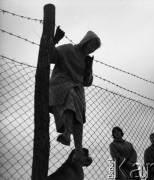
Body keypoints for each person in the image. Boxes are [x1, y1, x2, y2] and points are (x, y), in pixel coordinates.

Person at [49, 26, 101, 163]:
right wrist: (54, 40)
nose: (91, 50)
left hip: (77, 89)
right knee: (71, 94)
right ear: (85, 41)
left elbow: (87, 82)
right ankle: (66, 133)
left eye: (94, 49)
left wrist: (89, 70)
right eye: (91, 45)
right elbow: (49, 56)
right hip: (61, 83)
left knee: (79, 115)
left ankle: (78, 152)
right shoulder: (68, 49)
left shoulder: (86, 60)